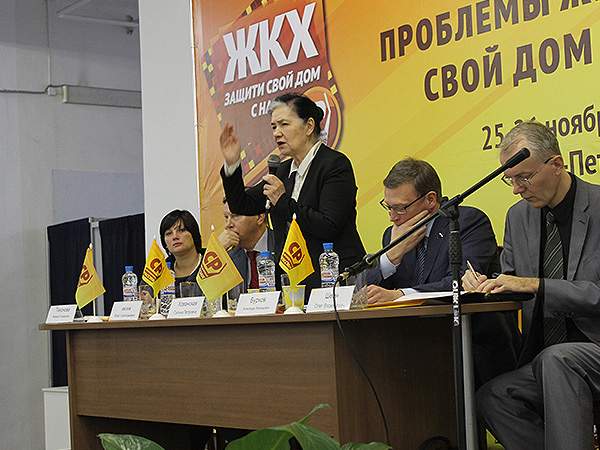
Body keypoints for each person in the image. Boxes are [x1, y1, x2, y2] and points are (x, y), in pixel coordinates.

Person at [462, 121, 600, 450]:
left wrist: (537, 284)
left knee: (557, 359)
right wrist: (487, 285)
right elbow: (515, 283)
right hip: (545, 358)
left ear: (557, 164)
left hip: (590, 347)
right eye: (510, 180)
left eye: (524, 177)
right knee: (493, 397)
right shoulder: (518, 216)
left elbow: (535, 285)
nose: (517, 189)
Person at [367, 157, 521, 387]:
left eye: (400, 208)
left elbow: (462, 282)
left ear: (430, 199)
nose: (392, 216)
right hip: (414, 349)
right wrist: (391, 257)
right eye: (388, 206)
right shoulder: (393, 235)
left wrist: (401, 295)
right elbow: (370, 291)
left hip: (472, 348)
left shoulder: (466, 222)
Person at [219, 92, 365, 291]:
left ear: (309, 126)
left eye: (284, 124)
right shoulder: (282, 171)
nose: (276, 133)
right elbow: (241, 205)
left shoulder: (334, 165)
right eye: (274, 127)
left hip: (333, 278)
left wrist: (282, 201)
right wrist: (232, 165)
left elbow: (328, 225)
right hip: (293, 281)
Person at [220, 198, 275, 292]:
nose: (228, 225)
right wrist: (217, 252)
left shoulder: (284, 246)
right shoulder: (228, 258)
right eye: (226, 217)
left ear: (259, 218)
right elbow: (203, 296)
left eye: (236, 216)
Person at [159, 209, 204, 292]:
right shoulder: (160, 271)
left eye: (181, 230)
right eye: (169, 233)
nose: (175, 237)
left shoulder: (211, 263)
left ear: (194, 234)